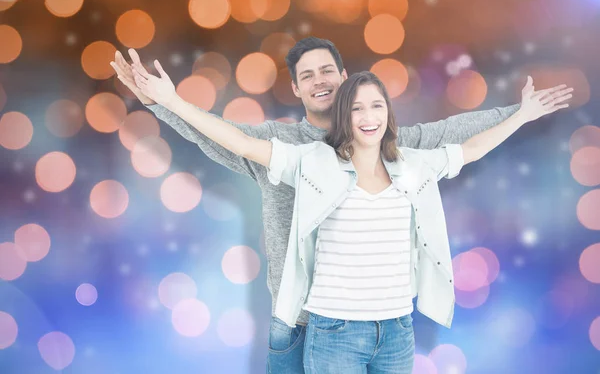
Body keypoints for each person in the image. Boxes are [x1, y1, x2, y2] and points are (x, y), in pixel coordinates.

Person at [110, 37, 571, 373]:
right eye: (306, 75)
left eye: (327, 70)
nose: (319, 81)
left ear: (346, 81)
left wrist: (522, 112)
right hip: (301, 321)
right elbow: (220, 135)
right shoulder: (290, 149)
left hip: (387, 325)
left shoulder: (402, 152)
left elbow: (461, 136)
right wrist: (163, 104)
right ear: (295, 88)